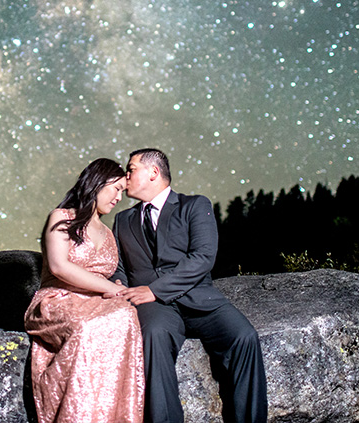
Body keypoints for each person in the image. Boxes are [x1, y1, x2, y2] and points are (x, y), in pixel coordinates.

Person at [113, 148, 267, 423]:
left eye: (131, 168)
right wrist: (119, 287)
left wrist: (155, 289)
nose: (125, 176)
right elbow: (120, 266)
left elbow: (203, 258)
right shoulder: (122, 220)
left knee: (245, 338)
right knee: (154, 337)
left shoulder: (195, 205)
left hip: (198, 299)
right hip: (154, 307)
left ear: (153, 172)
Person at [24, 158, 145, 423]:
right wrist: (109, 288)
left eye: (123, 192)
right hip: (59, 298)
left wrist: (117, 288)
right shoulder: (63, 216)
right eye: (115, 188)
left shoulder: (109, 234)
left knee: (126, 316)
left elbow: (111, 279)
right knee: (87, 328)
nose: (118, 198)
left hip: (98, 300)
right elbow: (59, 267)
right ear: (97, 182)